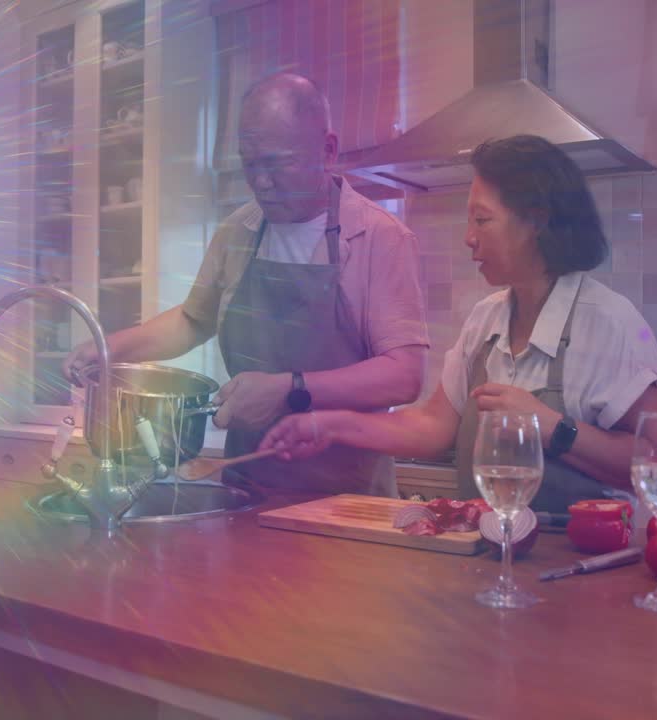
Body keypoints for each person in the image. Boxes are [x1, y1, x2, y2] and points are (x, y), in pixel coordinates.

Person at [260, 135, 657, 512]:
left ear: (536, 221)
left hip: (582, 571)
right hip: (489, 561)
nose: (468, 238)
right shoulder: (486, 319)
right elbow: (433, 426)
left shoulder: (608, 323)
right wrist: (329, 424)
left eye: (482, 220)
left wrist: (554, 429)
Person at [63, 73, 428, 496]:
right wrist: (106, 350)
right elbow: (191, 320)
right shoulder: (238, 231)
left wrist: (289, 389)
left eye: (277, 163)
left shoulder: (378, 237)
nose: (261, 182)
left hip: (346, 502)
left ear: (328, 151)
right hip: (246, 490)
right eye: (250, 163)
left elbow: (404, 376)